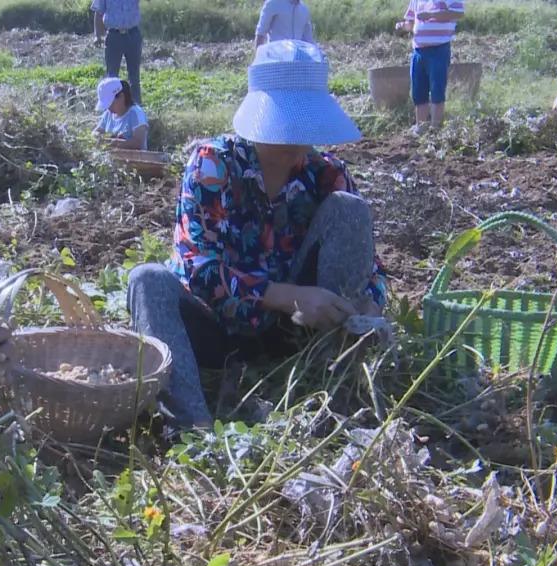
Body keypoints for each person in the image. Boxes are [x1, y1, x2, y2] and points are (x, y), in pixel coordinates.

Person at [126, 41, 386, 429]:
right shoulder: (214, 164)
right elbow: (198, 268)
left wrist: (369, 304)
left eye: (304, 127)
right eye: (285, 125)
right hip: (216, 329)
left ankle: (332, 381)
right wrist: (289, 296)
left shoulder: (326, 174)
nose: (295, 141)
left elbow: (374, 269)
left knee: (350, 210)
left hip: (296, 334)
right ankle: (191, 430)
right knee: (146, 280)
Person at [396, 0, 465, 133]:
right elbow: (411, 23)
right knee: (418, 90)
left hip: (438, 49)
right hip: (419, 50)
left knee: (437, 88)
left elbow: (458, 13)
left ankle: (435, 128)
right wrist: (402, 27)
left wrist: (430, 15)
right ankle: (420, 126)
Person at [91, 0, 143, 105]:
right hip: (114, 36)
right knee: (112, 76)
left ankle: (137, 110)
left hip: (133, 35)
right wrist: (97, 36)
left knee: (134, 76)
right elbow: (98, 12)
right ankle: (112, 109)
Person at [93, 77, 148, 151]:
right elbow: (96, 132)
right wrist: (97, 136)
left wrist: (113, 143)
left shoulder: (136, 114)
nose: (108, 108)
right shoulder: (108, 114)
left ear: (121, 97)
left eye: (110, 104)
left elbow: (138, 143)